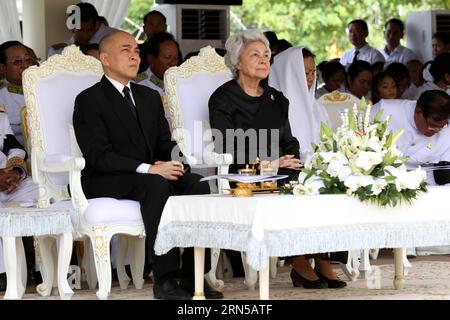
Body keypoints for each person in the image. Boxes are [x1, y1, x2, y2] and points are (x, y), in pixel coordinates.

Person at [72, 31, 222, 300]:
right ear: (105, 59)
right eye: (125, 50)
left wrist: (179, 165)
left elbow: (165, 143)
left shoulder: (149, 96)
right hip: (106, 177)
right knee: (155, 183)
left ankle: (193, 274)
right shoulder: (89, 99)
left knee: (199, 183)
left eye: (137, 51)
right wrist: (148, 168)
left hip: (149, 174)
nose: (134, 55)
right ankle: (164, 279)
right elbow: (98, 155)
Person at [209, 29, 346, 289]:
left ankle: (320, 254)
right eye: (255, 55)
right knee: (296, 185)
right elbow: (226, 145)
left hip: (280, 171)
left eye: (267, 55)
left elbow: (289, 141)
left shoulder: (276, 99)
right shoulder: (223, 99)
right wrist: (272, 163)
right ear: (238, 62)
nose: (264, 61)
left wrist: (291, 159)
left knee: (316, 180)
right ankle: (300, 260)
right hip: (244, 175)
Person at [372, 90, 450, 256]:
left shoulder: (446, 130)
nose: (434, 131)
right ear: (418, 111)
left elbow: (443, 171)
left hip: (426, 179)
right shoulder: (386, 110)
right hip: (383, 173)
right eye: (431, 125)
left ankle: (431, 241)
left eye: (440, 127)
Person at [0, 106, 39, 292]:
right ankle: (4, 273)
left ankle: (45, 268)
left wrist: (14, 172)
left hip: (6, 178)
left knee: (46, 196)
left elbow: (14, 146)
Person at [269, 46, 330, 158]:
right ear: (290, 74)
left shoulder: (318, 108)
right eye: (306, 73)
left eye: (313, 73)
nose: (311, 78)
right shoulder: (273, 108)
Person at [48, 3, 118, 57]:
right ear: (72, 28)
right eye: (80, 30)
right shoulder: (58, 51)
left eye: (89, 30)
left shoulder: (101, 48)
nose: (85, 35)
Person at [0, 41, 34, 144]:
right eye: (17, 62)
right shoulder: (1, 94)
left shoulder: (43, 88)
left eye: (27, 60)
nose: (25, 66)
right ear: (2, 68)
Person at [134, 32, 180, 97]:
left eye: (176, 58)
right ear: (151, 59)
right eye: (167, 58)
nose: (173, 63)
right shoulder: (137, 86)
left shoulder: (182, 82)